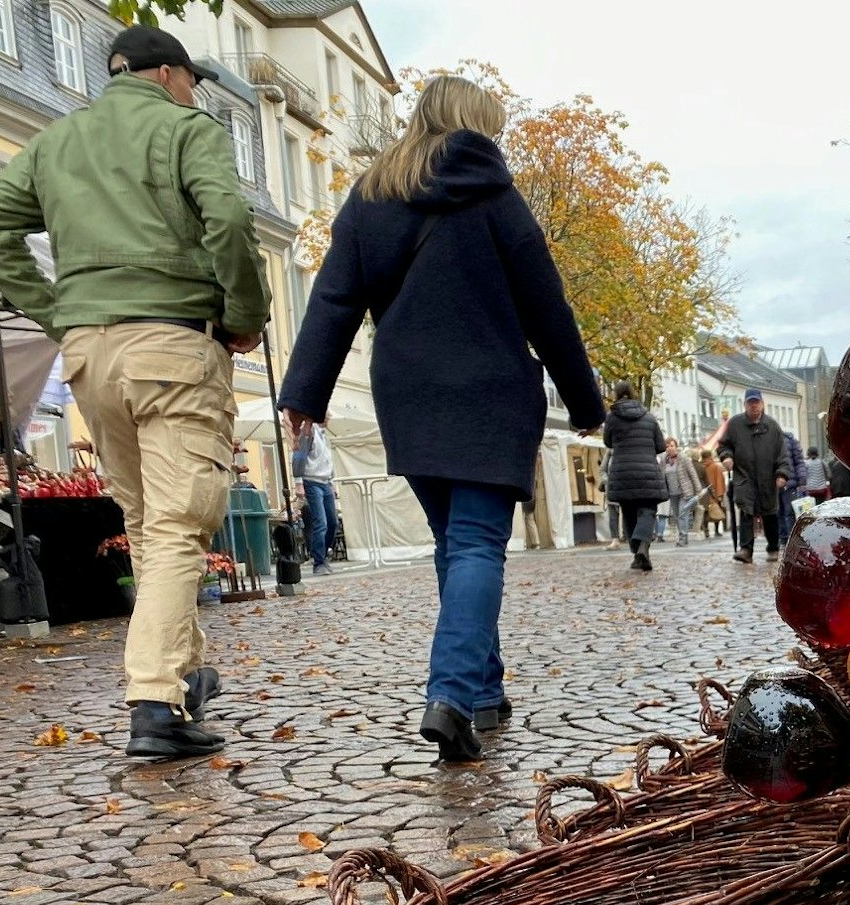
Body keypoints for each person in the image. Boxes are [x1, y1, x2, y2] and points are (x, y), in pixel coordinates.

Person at [0, 27, 269, 761]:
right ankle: (154, 700)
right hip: (172, 342)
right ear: (167, 75)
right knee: (177, 524)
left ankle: (186, 674)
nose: (193, 93)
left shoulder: (57, 142)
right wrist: (244, 314)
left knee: (147, 521)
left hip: (90, 356)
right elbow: (229, 220)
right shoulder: (185, 129)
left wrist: (57, 313)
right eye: (192, 81)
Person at [279, 75, 604, 764]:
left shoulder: (371, 194)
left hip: (408, 392)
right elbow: (547, 306)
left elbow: (334, 298)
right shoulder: (495, 195)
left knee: (455, 545)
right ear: (474, 122)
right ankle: (451, 695)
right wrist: (584, 401)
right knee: (478, 543)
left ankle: (483, 690)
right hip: (489, 390)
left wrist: (305, 391)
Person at [717, 388, 790, 564]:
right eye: (750, 403)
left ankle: (773, 548)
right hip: (744, 477)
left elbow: (782, 454)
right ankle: (746, 550)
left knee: (770, 514)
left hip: (768, 478)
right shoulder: (735, 424)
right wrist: (726, 457)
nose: (754, 406)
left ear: (762, 404)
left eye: (756, 403)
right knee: (746, 511)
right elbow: (723, 445)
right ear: (745, 405)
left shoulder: (772, 426)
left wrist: (782, 473)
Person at [602, 382, 667, 571]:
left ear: (616, 394)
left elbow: (608, 442)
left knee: (629, 512)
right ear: (633, 394)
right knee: (647, 510)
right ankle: (643, 547)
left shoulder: (612, 418)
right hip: (647, 472)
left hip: (622, 472)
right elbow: (661, 446)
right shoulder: (649, 417)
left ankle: (637, 552)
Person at [293, 419, 337, 574]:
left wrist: (332, 483)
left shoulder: (324, 435)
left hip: (325, 482)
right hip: (311, 481)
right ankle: (319, 562)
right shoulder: (308, 432)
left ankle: (322, 555)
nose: (329, 418)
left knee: (332, 522)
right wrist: (298, 483)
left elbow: (327, 461)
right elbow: (299, 456)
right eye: (327, 416)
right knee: (321, 522)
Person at [660, 437, 705, 547]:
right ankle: (683, 536)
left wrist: (698, 490)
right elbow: (661, 476)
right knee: (676, 516)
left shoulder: (683, 458)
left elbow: (693, 474)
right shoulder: (664, 460)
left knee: (682, 514)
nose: (669, 448)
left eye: (671, 445)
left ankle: (683, 537)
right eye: (667, 446)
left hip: (684, 492)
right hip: (672, 493)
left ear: (676, 446)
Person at [779, 430, 806, 535]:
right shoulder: (768, 439)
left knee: (789, 512)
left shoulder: (790, 440)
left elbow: (799, 462)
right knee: (779, 513)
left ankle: (789, 537)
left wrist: (802, 480)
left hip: (789, 483)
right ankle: (783, 538)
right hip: (775, 483)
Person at [698, 448, 728, 538]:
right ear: (710, 456)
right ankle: (716, 531)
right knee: (716, 512)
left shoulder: (701, 466)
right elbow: (719, 481)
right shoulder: (716, 467)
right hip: (714, 493)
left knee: (705, 512)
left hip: (704, 493)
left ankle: (706, 530)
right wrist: (719, 494)